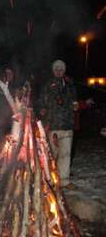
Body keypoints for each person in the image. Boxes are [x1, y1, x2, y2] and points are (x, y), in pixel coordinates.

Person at [39, 60, 77, 190]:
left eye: (61, 69)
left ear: (64, 70)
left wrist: (76, 105)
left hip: (67, 125)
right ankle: (49, 179)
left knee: (65, 154)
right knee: (52, 155)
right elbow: (41, 102)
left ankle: (64, 181)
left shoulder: (70, 84)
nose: (59, 71)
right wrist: (42, 110)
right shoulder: (48, 85)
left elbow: (75, 102)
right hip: (53, 125)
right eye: (56, 69)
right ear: (53, 71)